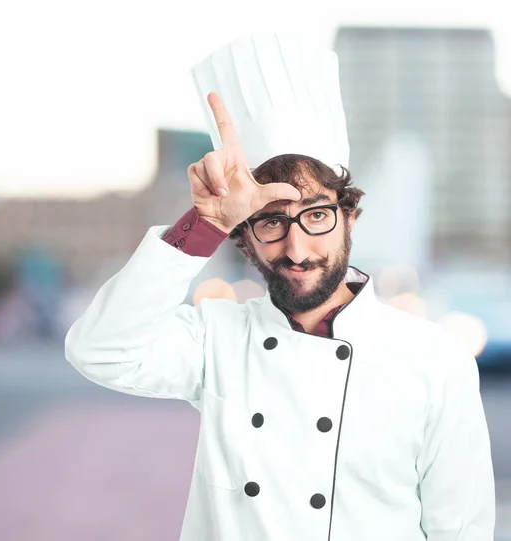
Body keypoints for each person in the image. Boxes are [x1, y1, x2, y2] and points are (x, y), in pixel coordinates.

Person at [65, 33, 495, 541]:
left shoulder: (434, 358)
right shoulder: (216, 338)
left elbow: (460, 530)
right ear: (243, 236)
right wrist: (204, 224)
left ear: (350, 218)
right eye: (270, 222)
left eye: (316, 215)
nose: (296, 248)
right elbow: (98, 350)